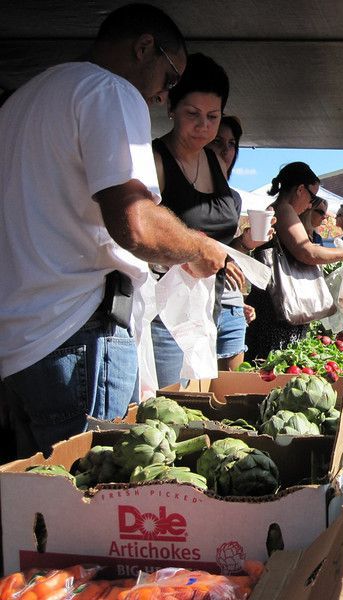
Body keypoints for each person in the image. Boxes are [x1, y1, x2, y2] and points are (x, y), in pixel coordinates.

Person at [0, 4, 228, 456]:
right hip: (75, 335)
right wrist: (196, 246)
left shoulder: (21, 101)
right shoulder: (110, 91)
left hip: (18, 342)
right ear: (145, 48)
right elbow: (135, 222)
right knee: (93, 500)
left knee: (34, 507)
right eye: (170, 78)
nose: (165, 96)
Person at [150, 53, 254, 388]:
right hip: (165, 312)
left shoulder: (213, 159)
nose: (204, 126)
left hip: (209, 306)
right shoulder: (156, 159)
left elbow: (216, 238)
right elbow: (143, 236)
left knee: (199, 400)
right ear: (171, 107)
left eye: (213, 116)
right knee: (171, 405)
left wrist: (238, 250)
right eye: (192, 114)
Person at [245, 163, 343, 359]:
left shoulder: (278, 209)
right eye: (312, 197)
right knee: (275, 368)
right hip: (277, 312)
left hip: (271, 309)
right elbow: (306, 252)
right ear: (300, 189)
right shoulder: (284, 209)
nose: (310, 204)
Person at [207, 115, 258, 371]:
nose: (225, 150)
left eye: (232, 143)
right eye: (217, 141)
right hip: (192, 309)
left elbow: (225, 252)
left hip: (231, 306)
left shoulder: (233, 199)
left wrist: (245, 242)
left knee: (229, 393)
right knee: (188, 395)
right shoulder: (180, 191)